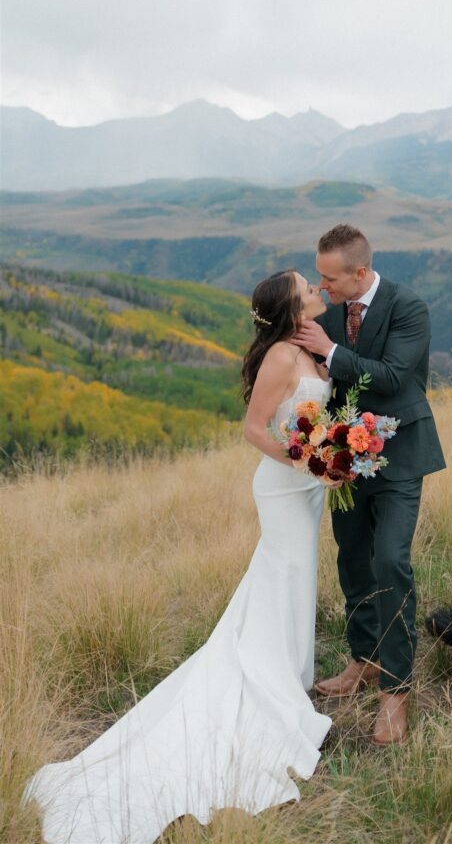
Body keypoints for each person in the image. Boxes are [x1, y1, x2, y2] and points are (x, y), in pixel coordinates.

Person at [22, 270, 333, 844]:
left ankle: (288, 673)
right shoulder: (282, 359)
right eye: (306, 286)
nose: (316, 286)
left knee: (292, 580)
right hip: (286, 486)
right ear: (292, 308)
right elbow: (252, 428)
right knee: (284, 574)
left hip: (309, 487)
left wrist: (329, 452)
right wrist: (305, 461)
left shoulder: (312, 346)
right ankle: (273, 684)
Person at [291, 224, 446, 746]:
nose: (322, 286)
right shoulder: (327, 309)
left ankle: (396, 694)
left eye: (329, 278)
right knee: (352, 558)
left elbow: (393, 377)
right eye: (318, 276)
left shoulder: (409, 308)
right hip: (345, 460)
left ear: (360, 272)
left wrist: (331, 352)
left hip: (401, 458)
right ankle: (364, 660)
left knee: (390, 562)